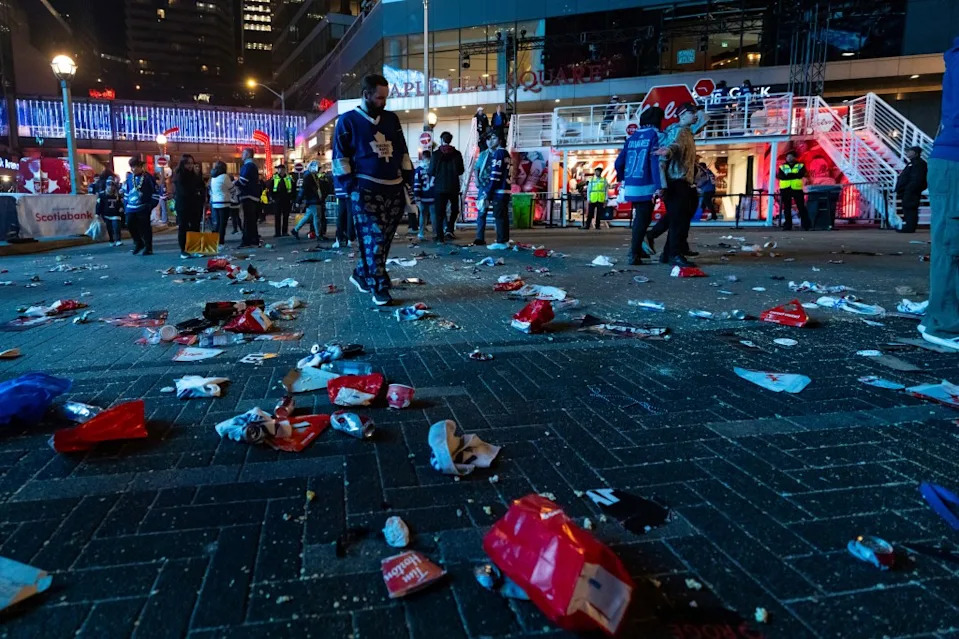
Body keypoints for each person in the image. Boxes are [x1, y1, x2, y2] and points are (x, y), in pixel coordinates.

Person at [332, 73, 414, 306]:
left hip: (394, 188)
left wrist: (408, 178)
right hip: (365, 189)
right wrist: (351, 188)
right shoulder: (347, 121)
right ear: (366, 95)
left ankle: (361, 273)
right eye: (378, 98)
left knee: (384, 239)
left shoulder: (391, 120)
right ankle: (379, 284)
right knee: (374, 237)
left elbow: (403, 150)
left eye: (385, 98)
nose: (383, 102)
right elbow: (341, 158)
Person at [921, 36, 959, 351]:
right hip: (954, 161)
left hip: (952, 160)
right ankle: (943, 323)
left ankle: (946, 314)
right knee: (952, 242)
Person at [645, 104, 709, 262]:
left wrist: (698, 110)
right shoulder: (678, 131)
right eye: (692, 113)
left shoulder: (688, 131)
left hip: (683, 182)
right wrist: (668, 151)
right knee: (678, 219)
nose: (696, 116)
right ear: (682, 115)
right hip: (676, 181)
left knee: (678, 217)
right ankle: (673, 252)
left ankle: (668, 253)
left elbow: (705, 119)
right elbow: (674, 145)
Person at [615, 106, 664, 265]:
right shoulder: (655, 135)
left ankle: (638, 250)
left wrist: (624, 179)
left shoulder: (631, 138)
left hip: (632, 184)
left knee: (640, 218)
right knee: (642, 220)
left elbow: (618, 163)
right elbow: (655, 162)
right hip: (646, 184)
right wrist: (659, 185)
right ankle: (634, 252)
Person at [474, 129, 511, 245]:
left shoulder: (500, 153)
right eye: (488, 139)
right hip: (484, 185)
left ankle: (501, 239)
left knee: (499, 213)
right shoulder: (483, 154)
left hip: (495, 186)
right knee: (482, 211)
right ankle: (480, 237)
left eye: (493, 138)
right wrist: (477, 180)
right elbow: (477, 167)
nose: (490, 142)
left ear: (499, 140)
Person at [428, 130, 465, 242]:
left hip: (439, 187)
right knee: (455, 209)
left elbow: (431, 171)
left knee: (440, 212)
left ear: (441, 140)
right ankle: (449, 228)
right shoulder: (457, 154)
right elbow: (461, 170)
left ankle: (440, 237)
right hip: (453, 186)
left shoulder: (436, 154)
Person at [122, 157, 158, 255]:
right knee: (129, 224)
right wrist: (125, 206)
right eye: (132, 167)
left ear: (141, 167)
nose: (134, 169)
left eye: (136, 167)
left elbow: (155, 192)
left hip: (144, 206)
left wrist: (150, 206)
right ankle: (138, 242)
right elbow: (126, 193)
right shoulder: (129, 178)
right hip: (131, 206)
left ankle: (148, 247)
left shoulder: (148, 177)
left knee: (145, 227)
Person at [171, 154, 205, 259]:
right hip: (183, 205)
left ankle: (196, 248)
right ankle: (184, 250)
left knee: (195, 226)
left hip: (195, 204)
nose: (190, 166)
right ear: (183, 164)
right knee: (183, 227)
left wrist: (198, 192)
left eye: (191, 163)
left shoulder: (194, 174)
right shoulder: (179, 175)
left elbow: (201, 186)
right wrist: (196, 191)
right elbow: (184, 191)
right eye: (187, 163)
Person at [895, 145, 928, 233]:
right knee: (907, 208)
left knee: (910, 208)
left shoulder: (919, 164)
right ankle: (909, 226)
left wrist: (909, 189)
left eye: (909, 151)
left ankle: (910, 227)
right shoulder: (912, 163)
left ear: (915, 153)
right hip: (908, 190)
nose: (907, 153)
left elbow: (917, 179)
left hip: (912, 191)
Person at [777, 150, 810, 231]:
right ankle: (787, 226)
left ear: (795, 158)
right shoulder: (782, 166)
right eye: (788, 157)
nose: (789, 158)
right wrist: (794, 175)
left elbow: (800, 175)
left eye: (791, 157)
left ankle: (806, 225)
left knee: (801, 207)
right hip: (785, 189)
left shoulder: (800, 166)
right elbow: (781, 176)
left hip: (796, 189)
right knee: (787, 208)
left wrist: (789, 175)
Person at [236, 147, 261, 247]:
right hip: (253, 196)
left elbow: (243, 181)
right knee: (251, 220)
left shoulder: (248, 166)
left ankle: (246, 240)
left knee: (247, 220)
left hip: (248, 196)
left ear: (248, 155)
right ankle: (254, 239)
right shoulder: (253, 166)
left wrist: (234, 183)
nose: (241, 155)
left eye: (243, 153)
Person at [292, 161, 323, 240]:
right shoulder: (309, 176)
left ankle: (295, 230)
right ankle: (318, 235)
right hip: (313, 200)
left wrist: (298, 201)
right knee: (316, 217)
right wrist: (298, 201)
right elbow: (304, 189)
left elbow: (303, 190)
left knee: (307, 217)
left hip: (312, 200)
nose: (319, 170)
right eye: (318, 168)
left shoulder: (310, 175)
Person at [95, 171, 123, 246]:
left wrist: (121, 208)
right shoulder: (102, 194)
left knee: (116, 227)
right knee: (109, 228)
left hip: (116, 214)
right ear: (106, 186)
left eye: (112, 185)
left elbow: (120, 203)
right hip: (106, 214)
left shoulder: (117, 195)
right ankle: (111, 240)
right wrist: (97, 213)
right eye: (109, 185)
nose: (110, 187)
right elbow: (99, 204)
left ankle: (118, 240)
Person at [209, 161, 234, 246]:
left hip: (215, 202)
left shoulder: (213, 177)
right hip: (224, 202)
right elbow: (232, 188)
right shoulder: (224, 177)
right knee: (223, 223)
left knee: (218, 222)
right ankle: (221, 240)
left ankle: (215, 239)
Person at [413, 150, 434, 241]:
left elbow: (417, 183)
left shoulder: (419, 169)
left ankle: (421, 233)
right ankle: (436, 233)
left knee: (422, 215)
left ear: (423, 157)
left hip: (423, 196)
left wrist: (416, 195)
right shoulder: (434, 168)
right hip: (433, 196)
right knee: (434, 215)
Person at [269, 163, 295, 238]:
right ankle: (277, 232)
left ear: (284, 170)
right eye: (279, 169)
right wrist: (272, 197)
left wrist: (292, 198)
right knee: (277, 216)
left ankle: (284, 232)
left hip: (286, 199)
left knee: (285, 216)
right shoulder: (274, 178)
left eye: (281, 169)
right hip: (277, 199)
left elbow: (293, 188)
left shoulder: (289, 178)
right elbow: (270, 188)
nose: (280, 170)